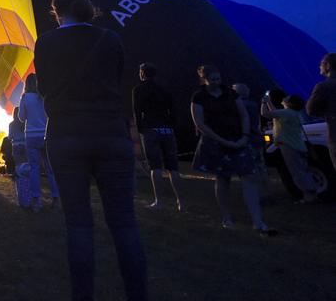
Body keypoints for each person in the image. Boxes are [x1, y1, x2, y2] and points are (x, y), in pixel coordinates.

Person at [34, 0, 148, 301]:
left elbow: (43, 87)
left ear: (56, 12)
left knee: (79, 225)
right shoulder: (110, 39)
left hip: (66, 135)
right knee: (124, 224)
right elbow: (119, 80)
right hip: (110, 132)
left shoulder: (46, 43)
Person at [191, 64, 275, 236]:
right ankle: (226, 218)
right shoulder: (199, 97)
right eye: (212, 79)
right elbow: (200, 123)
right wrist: (222, 140)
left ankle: (258, 222)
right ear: (204, 80)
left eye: (218, 78)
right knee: (223, 179)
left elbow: (243, 115)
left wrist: (244, 136)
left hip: (238, 139)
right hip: (216, 142)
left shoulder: (230, 93)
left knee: (249, 176)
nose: (216, 82)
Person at [132, 63, 184, 210]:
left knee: (155, 167)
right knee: (173, 167)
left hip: (150, 129)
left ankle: (159, 201)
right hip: (167, 129)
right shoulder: (164, 89)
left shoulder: (138, 89)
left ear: (142, 73)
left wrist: (140, 129)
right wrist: (172, 126)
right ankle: (181, 202)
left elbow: (137, 111)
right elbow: (173, 109)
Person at [19, 74, 59, 211]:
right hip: (45, 134)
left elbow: (21, 117)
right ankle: (56, 198)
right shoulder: (44, 97)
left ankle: (36, 200)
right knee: (50, 169)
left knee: (34, 168)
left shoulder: (25, 98)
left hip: (31, 135)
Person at [269, 95, 319, 203]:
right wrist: (268, 101)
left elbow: (266, 114)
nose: (284, 98)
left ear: (290, 103)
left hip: (288, 145)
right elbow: (274, 113)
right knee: (303, 170)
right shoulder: (294, 113)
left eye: (287, 98)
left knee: (297, 172)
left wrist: (264, 103)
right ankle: (312, 193)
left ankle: (309, 195)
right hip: (298, 145)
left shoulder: (286, 113)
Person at [307, 53, 336, 170]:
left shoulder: (323, 86)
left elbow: (310, 110)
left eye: (321, 64)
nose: (319, 66)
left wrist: (328, 114)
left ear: (328, 66)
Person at [8, 107, 28, 207]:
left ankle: (21, 194)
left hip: (16, 145)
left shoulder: (11, 124)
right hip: (25, 145)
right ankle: (28, 192)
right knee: (26, 168)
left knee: (19, 168)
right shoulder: (25, 123)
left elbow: (10, 136)